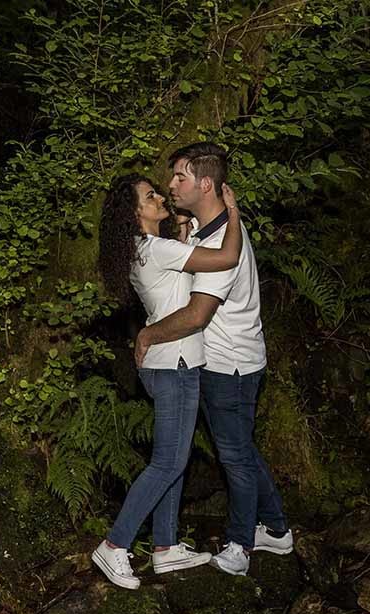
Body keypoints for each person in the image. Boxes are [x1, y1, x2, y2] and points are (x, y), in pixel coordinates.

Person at [134, 142, 293, 577]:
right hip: (228, 361)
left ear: (206, 184)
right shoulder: (206, 233)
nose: (171, 186)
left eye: (180, 177)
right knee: (241, 447)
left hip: (230, 365)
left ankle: (241, 545)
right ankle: (276, 529)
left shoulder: (223, 238)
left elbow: (197, 314)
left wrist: (148, 335)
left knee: (234, 457)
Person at [90, 173, 243, 590]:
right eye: (149, 196)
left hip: (172, 363)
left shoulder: (147, 249)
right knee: (168, 461)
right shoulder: (156, 249)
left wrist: (180, 232)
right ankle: (114, 544)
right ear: (135, 212)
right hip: (172, 363)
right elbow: (227, 258)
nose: (160, 197)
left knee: (174, 457)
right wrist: (233, 212)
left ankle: (166, 547)